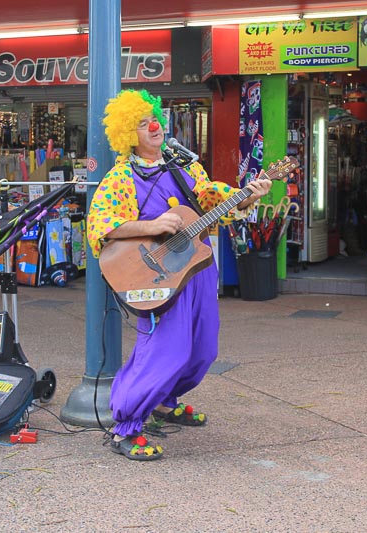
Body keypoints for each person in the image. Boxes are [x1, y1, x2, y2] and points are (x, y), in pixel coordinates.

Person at [86, 89, 271, 461]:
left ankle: (165, 401)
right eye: (142, 124)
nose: (154, 126)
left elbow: (209, 197)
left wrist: (247, 195)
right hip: (154, 276)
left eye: (153, 118)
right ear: (128, 134)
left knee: (203, 347)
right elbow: (99, 225)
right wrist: (148, 225)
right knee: (163, 350)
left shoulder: (184, 165)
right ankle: (126, 424)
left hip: (197, 268)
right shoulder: (121, 177)